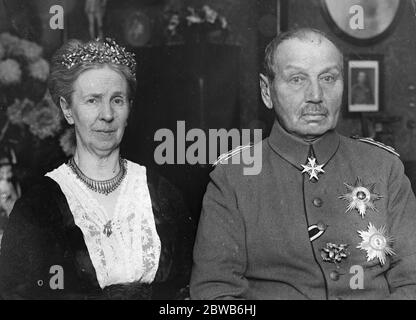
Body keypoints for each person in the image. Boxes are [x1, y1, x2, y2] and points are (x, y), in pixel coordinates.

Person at [190, 28, 416, 300]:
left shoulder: (384, 167)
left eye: (328, 78)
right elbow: (215, 293)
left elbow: (411, 283)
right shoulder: (232, 177)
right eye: (297, 79)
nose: (316, 95)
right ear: (266, 91)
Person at [0, 38, 193, 300]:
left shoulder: (163, 195)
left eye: (117, 100)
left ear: (129, 108)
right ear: (68, 110)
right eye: (92, 100)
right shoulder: (37, 207)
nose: (107, 114)